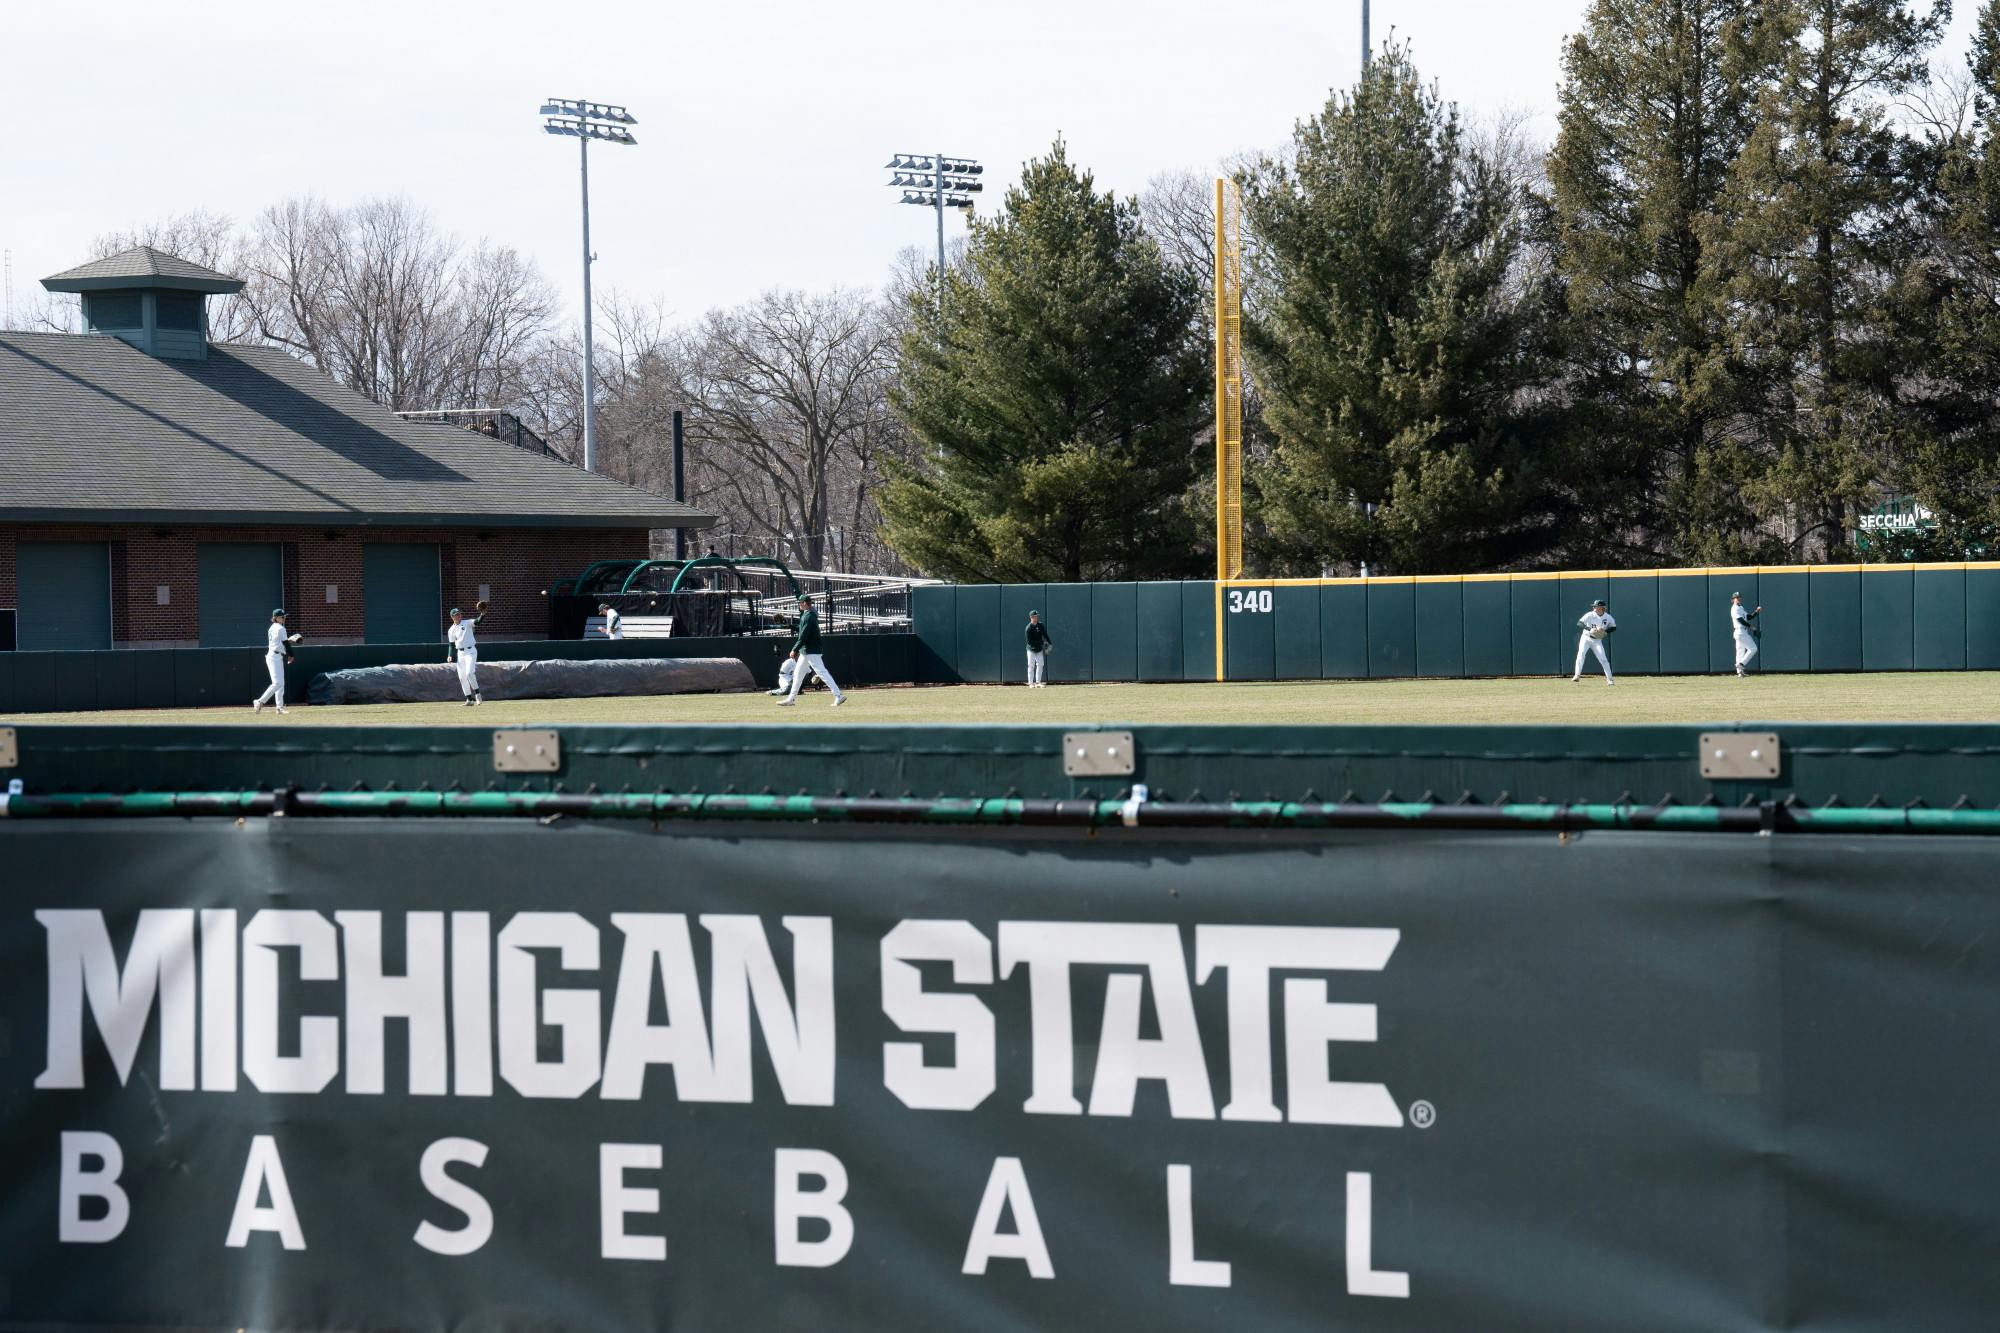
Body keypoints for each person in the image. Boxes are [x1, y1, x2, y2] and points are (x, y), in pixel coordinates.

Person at [777, 594, 846, 707]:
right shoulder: (807, 614)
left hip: (811, 651)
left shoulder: (808, 616)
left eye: (800, 602)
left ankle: (838, 695)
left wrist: (794, 649)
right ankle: (791, 699)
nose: (799, 604)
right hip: (807, 651)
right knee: (798, 675)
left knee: (822, 673)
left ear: (805, 603)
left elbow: (804, 636)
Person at [251, 609, 301, 714]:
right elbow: (285, 644)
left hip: (275, 655)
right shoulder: (281, 628)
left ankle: (279, 707)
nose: (284, 618)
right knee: (278, 683)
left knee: (280, 683)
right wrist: (291, 654)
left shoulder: (272, 628)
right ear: (276, 618)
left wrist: (288, 641)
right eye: (282, 617)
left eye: (284, 617)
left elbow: (280, 642)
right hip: (275, 656)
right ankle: (260, 701)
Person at [447, 600, 489, 706]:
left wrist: (482, 614)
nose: (458, 616)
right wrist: (449, 655)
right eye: (456, 615)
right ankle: (469, 699)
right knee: (462, 677)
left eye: (459, 614)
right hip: (460, 653)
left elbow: (478, 621)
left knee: (469, 673)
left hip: (470, 651)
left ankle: (478, 695)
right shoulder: (451, 630)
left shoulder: (467, 623)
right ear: (452, 617)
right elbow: (451, 644)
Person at [1573, 598, 1616, 685]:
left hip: (1597, 640)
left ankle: (1610, 679)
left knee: (1603, 659)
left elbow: (1614, 627)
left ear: (1602, 608)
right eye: (1594, 606)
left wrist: (1605, 631)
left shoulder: (1608, 617)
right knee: (1581, 654)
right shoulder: (1590, 614)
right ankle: (1577, 675)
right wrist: (1589, 629)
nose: (1594, 608)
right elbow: (1579, 623)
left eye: (1596, 606)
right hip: (1586, 638)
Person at [1729, 592, 1762, 678]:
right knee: (1753, 648)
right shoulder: (1734, 609)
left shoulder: (1741, 607)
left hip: (1741, 632)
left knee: (1740, 652)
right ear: (1733, 599)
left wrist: (1756, 612)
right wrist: (1752, 627)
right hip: (1740, 631)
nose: (1738, 598)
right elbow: (1741, 621)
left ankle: (1740, 673)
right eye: (1736, 597)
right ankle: (1741, 664)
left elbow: (1748, 617)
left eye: (1739, 597)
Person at [1025, 610, 1054, 688]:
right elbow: (1029, 642)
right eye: (1035, 616)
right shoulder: (1028, 628)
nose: (1036, 617)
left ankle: (1038, 682)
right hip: (1031, 649)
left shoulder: (1040, 625)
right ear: (1031, 617)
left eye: (1037, 616)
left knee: (1040, 665)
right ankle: (1031, 683)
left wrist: (1050, 643)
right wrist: (1042, 642)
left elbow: (1045, 634)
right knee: (1031, 665)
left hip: (1039, 649)